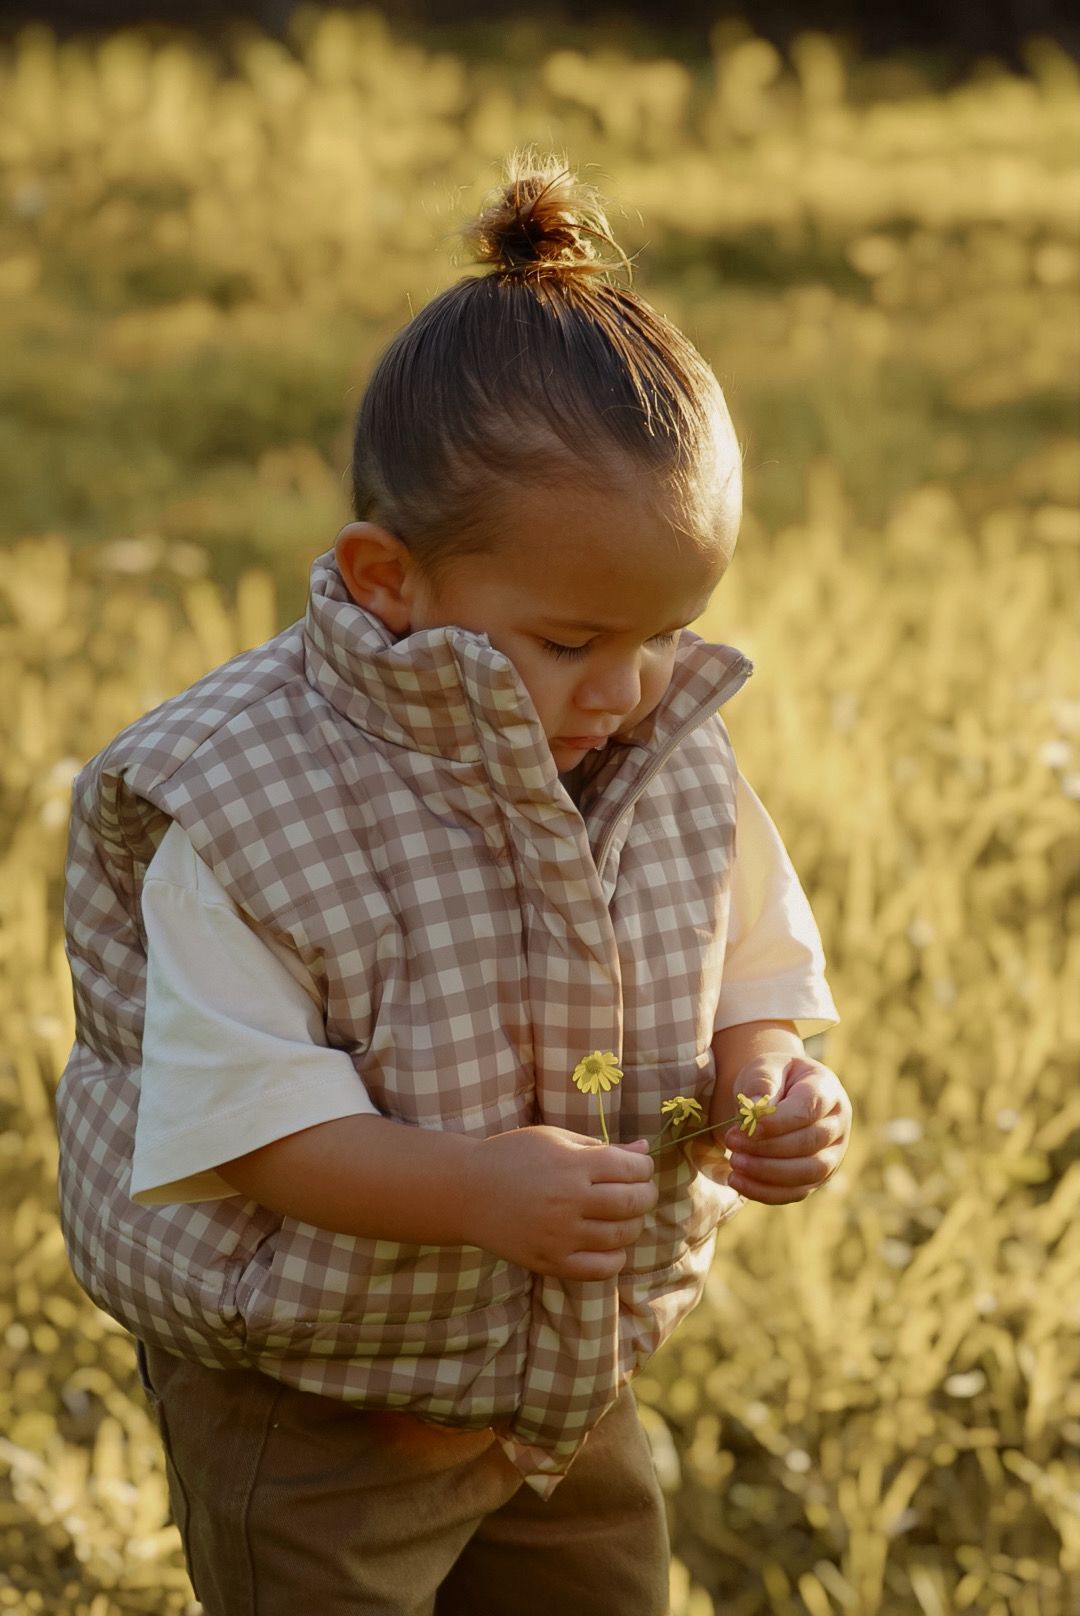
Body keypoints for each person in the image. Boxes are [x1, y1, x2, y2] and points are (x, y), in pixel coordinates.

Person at [56, 151, 851, 1615]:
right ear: (387, 581)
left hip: (563, 1375)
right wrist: (482, 1192)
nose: (625, 689)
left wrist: (769, 1081)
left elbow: (750, 959)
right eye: (567, 642)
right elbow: (249, 1131)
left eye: (666, 631)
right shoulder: (246, 804)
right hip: (314, 1402)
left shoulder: (657, 748)